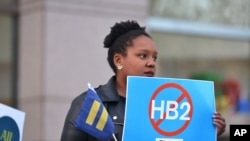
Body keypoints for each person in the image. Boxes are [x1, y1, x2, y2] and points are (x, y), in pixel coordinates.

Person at [60, 20, 226, 141]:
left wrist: (206, 134)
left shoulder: (169, 105)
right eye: (142, 55)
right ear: (118, 60)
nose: (151, 63)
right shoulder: (89, 104)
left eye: (154, 57)